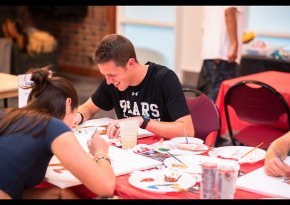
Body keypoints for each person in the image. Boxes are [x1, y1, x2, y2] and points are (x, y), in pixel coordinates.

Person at [0, 67, 116, 199]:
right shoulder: (53, 126)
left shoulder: (7, 115)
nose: (73, 125)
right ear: (68, 104)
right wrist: (100, 152)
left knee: (60, 194)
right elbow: (106, 187)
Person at [76, 34, 194, 140]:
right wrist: (78, 116)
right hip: (131, 150)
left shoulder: (164, 78)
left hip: (166, 152)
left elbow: (187, 131)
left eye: (112, 75)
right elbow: (88, 108)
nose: (108, 82)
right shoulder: (112, 82)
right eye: (105, 75)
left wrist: (142, 121)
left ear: (130, 64)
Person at [197, 6, 245, 102]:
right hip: (223, 54)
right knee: (219, 101)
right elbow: (229, 12)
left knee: (209, 100)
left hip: (211, 52)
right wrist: (234, 44)